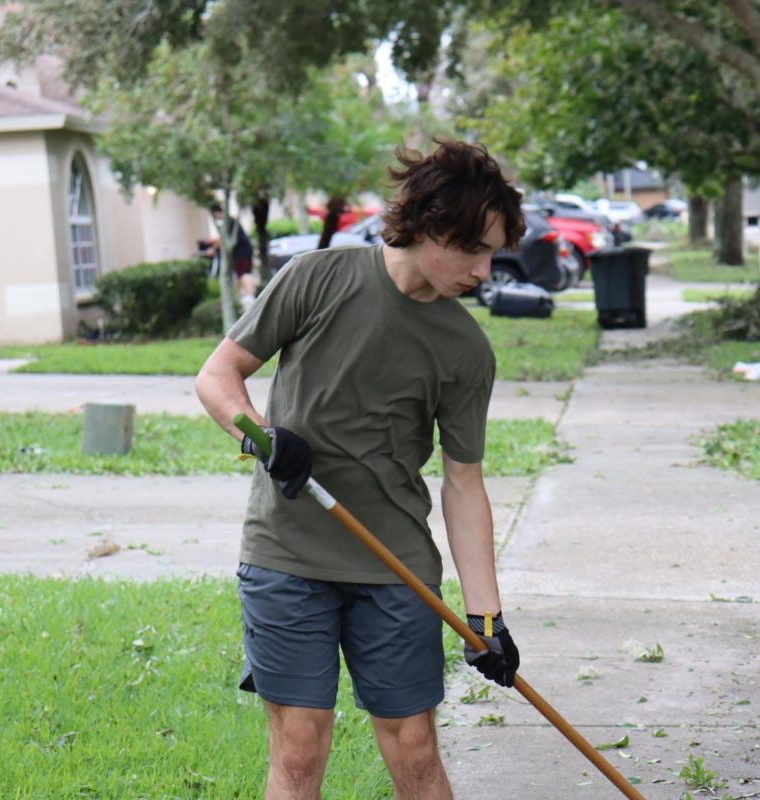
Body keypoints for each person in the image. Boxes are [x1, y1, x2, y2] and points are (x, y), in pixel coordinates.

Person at [194, 139, 525, 800]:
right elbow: (217, 376)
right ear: (432, 227)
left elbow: (464, 484)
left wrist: (485, 617)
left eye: (494, 254)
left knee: (415, 751)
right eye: (476, 250)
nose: (485, 272)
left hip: (394, 564)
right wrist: (262, 437)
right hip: (287, 554)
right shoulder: (316, 278)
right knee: (300, 744)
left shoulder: (466, 350)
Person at [203, 204, 257, 309]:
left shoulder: (229, 223)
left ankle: (250, 297)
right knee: (242, 275)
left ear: (218, 213)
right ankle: (246, 297)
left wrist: (211, 246)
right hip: (242, 253)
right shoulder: (230, 222)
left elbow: (223, 240)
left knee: (244, 274)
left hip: (242, 253)